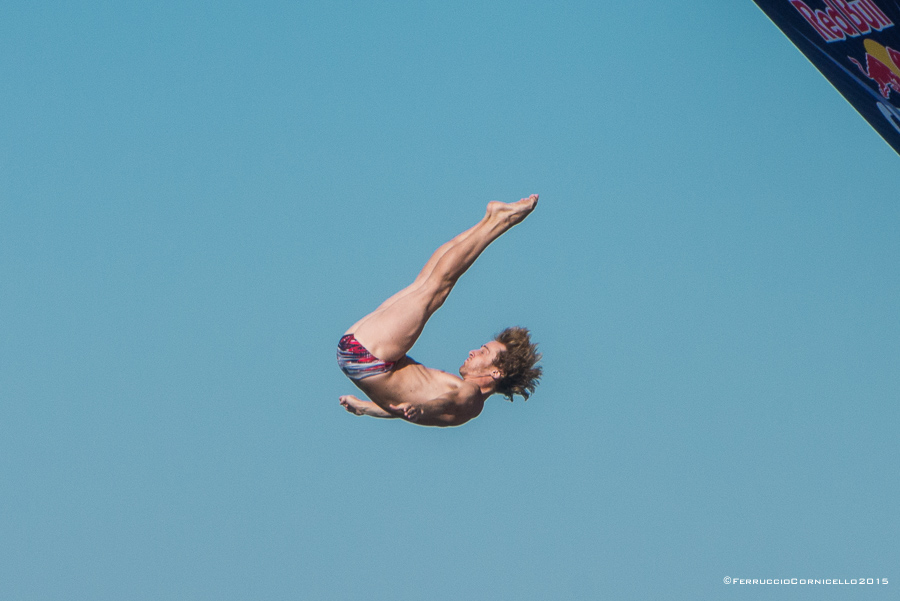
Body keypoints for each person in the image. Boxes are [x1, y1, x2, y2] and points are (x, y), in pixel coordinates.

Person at [337, 194, 543, 427]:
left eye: (484, 352)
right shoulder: (466, 408)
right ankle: (492, 219)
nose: (474, 351)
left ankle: (500, 220)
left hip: (370, 357)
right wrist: (367, 408)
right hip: (363, 357)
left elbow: (442, 402)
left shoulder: (470, 395)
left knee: (435, 287)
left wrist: (419, 408)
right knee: (428, 284)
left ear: (497, 372)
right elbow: (402, 407)